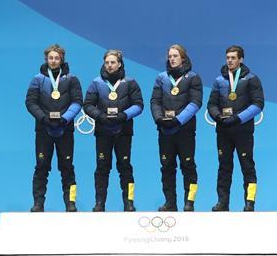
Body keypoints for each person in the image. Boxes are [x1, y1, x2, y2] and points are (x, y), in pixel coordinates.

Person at [84, 49, 143, 212]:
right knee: (102, 167)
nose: (109, 65)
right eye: (107, 62)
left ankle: (129, 203)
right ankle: (99, 203)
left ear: (120, 64)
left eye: (113, 62)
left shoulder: (130, 83)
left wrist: (124, 116)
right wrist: (100, 116)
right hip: (103, 132)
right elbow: (87, 105)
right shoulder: (96, 83)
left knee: (125, 167)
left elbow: (138, 105)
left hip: (123, 131)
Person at [26, 44, 83, 212]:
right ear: (46, 59)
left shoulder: (72, 79)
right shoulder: (37, 79)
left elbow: (77, 101)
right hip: (43, 129)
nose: (53, 61)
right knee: (41, 167)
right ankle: (38, 204)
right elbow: (30, 102)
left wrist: (65, 119)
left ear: (62, 59)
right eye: (50, 58)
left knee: (67, 167)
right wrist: (44, 119)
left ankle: (70, 203)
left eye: (56, 58)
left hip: (65, 129)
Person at [207, 45, 264, 212]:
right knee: (224, 167)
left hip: (243, 130)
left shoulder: (252, 79)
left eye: (233, 58)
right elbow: (211, 105)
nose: (230, 61)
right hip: (223, 130)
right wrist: (218, 117)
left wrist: (238, 118)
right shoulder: (219, 80)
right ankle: (222, 202)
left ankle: (250, 202)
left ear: (241, 59)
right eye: (228, 58)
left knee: (247, 166)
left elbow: (258, 104)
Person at [150, 44, 203, 212]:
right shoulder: (161, 78)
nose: (172, 59)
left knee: (188, 166)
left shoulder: (193, 77)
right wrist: (159, 119)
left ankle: (189, 202)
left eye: (175, 56)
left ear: (183, 58)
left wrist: (178, 120)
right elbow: (155, 101)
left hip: (185, 130)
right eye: (170, 56)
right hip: (165, 130)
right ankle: (170, 203)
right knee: (167, 167)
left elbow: (196, 102)